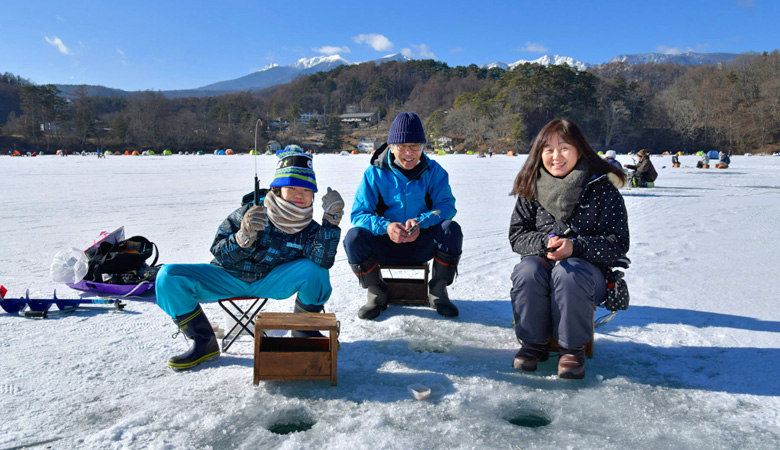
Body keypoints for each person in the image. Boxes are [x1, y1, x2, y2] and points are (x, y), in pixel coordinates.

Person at [155, 145, 344, 370]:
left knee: (316, 270)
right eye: (291, 187)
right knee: (168, 276)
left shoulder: (311, 229)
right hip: (228, 278)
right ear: (276, 189)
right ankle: (203, 341)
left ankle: (304, 328)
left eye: (305, 189)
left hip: (271, 281)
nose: (298, 194)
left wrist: (330, 223)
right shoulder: (249, 212)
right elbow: (218, 252)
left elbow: (322, 261)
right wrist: (242, 237)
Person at [508, 118, 629, 379]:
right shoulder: (531, 187)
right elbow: (517, 236)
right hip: (542, 269)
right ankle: (532, 344)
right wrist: (543, 243)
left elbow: (618, 243)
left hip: (587, 276)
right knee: (527, 270)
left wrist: (575, 246)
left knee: (569, 271)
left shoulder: (602, 189)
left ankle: (572, 349)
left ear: (579, 151)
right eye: (548, 149)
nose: (556, 156)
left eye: (564, 148)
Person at [344, 112, 463, 320]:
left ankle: (438, 291)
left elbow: (446, 206)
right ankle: (376, 291)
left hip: (421, 244)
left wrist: (422, 221)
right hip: (385, 245)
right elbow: (359, 214)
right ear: (391, 146)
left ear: (423, 146)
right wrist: (386, 226)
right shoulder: (374, 173)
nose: (409, 152)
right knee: (354, 237)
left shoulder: (434, 171)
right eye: (402, 146)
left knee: (450, 230)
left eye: (415, 146)